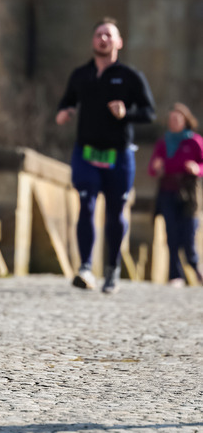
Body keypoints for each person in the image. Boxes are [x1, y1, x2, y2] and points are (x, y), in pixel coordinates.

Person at [56, 18, 156, 293]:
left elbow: (149, 112)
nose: (103, 39)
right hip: (86, 151)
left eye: (109, 35)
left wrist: (127, 114)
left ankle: (112, 270)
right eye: (99, 34)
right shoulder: (81, 75)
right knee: (86, 204)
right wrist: (65, 111)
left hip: (119, 156)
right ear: (93, 40)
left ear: (119, 42)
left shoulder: (130, 76)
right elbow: (68, 99)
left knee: (115, 211)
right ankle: (86, 268)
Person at [148, 103, 203, 286]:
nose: (174, 122)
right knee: (170, 234)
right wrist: (157, 168)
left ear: (185, 120)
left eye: (178, 119)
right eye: (171, 119)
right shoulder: (163, 142)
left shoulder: (194, 141)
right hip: (167, 191)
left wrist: (197, 169)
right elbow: (152, 168)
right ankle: (175, 275)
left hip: (188, 192)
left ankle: (195, 267)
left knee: (189, 233)